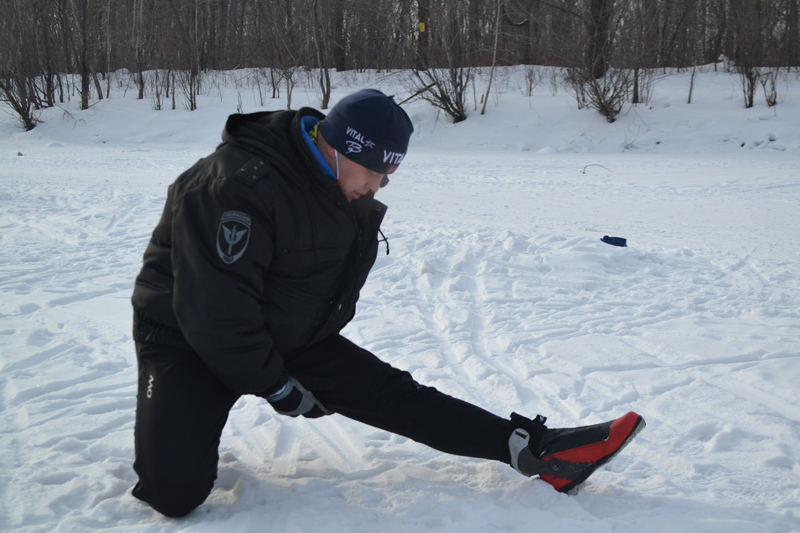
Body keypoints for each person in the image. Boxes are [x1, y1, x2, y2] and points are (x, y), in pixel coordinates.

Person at [130, 89, 645, 518]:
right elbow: (213, 309)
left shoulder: (337, 185)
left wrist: (297, 364)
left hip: (281, 331)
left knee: (399, 395)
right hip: (183, 337)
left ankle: (541, 451)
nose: (375, 188)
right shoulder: (235, 185)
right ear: (334, 149)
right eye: (371, 173)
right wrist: (274, 383)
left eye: (385, 177)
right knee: (173, 495)